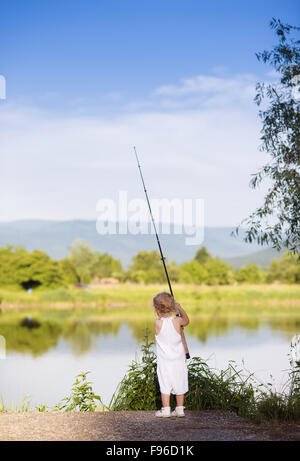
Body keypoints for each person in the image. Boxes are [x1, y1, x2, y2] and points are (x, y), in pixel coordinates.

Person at [153, 291, 189, 418]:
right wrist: (179, 308)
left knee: (165, 383)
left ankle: (166, 409)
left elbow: (163, 320)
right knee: (180, 382)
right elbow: (186, 321)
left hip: (164, 362)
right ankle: (180, 409)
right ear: (172, 307)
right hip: (178, 360)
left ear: (157, 309)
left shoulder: (158, 323)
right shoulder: (178, 321)